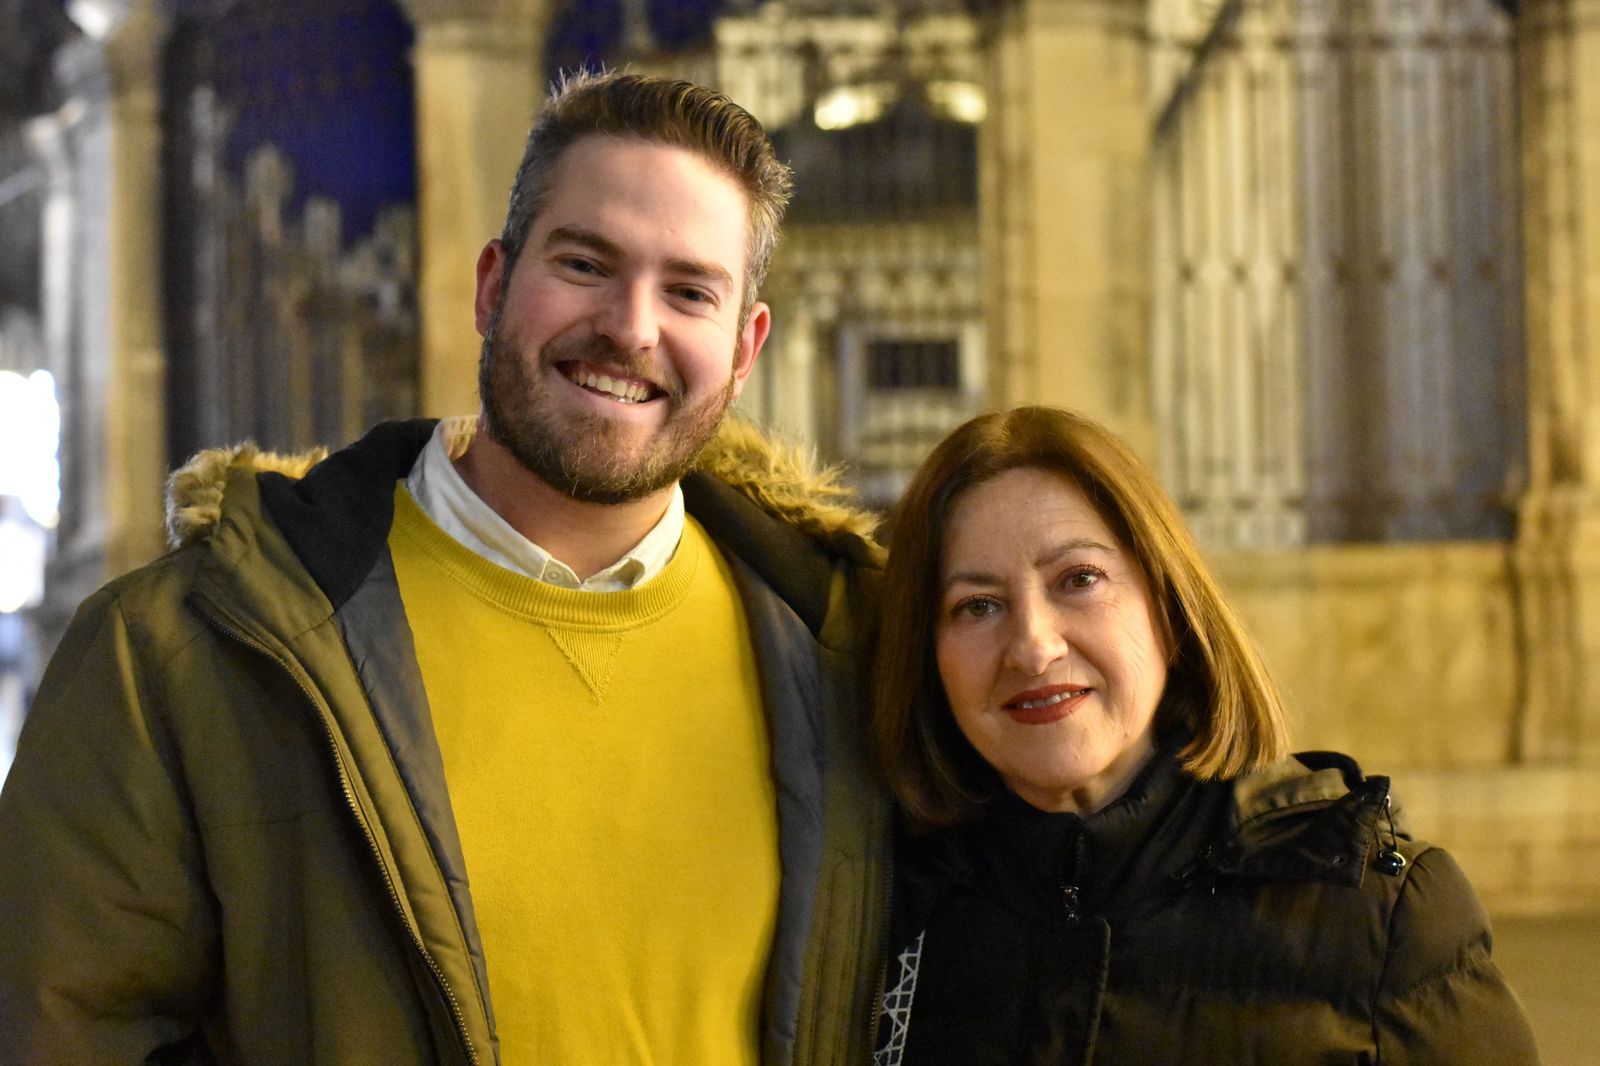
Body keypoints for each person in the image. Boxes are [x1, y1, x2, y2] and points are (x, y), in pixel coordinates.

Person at [0, 73, 890, 1065]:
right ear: (490, 285)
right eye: (585, 262)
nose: (633, 327)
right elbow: (62, 1032)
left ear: (743, 349)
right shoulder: (170, 657)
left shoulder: (848, 656)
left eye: (688, 290)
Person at [869, 406, 1539, 1066]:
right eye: (977, 606)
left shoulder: (1379, 915)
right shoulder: (876, 915)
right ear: (927, 653)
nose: (1034, 646)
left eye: (1080, 579)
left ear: (1168, 604)